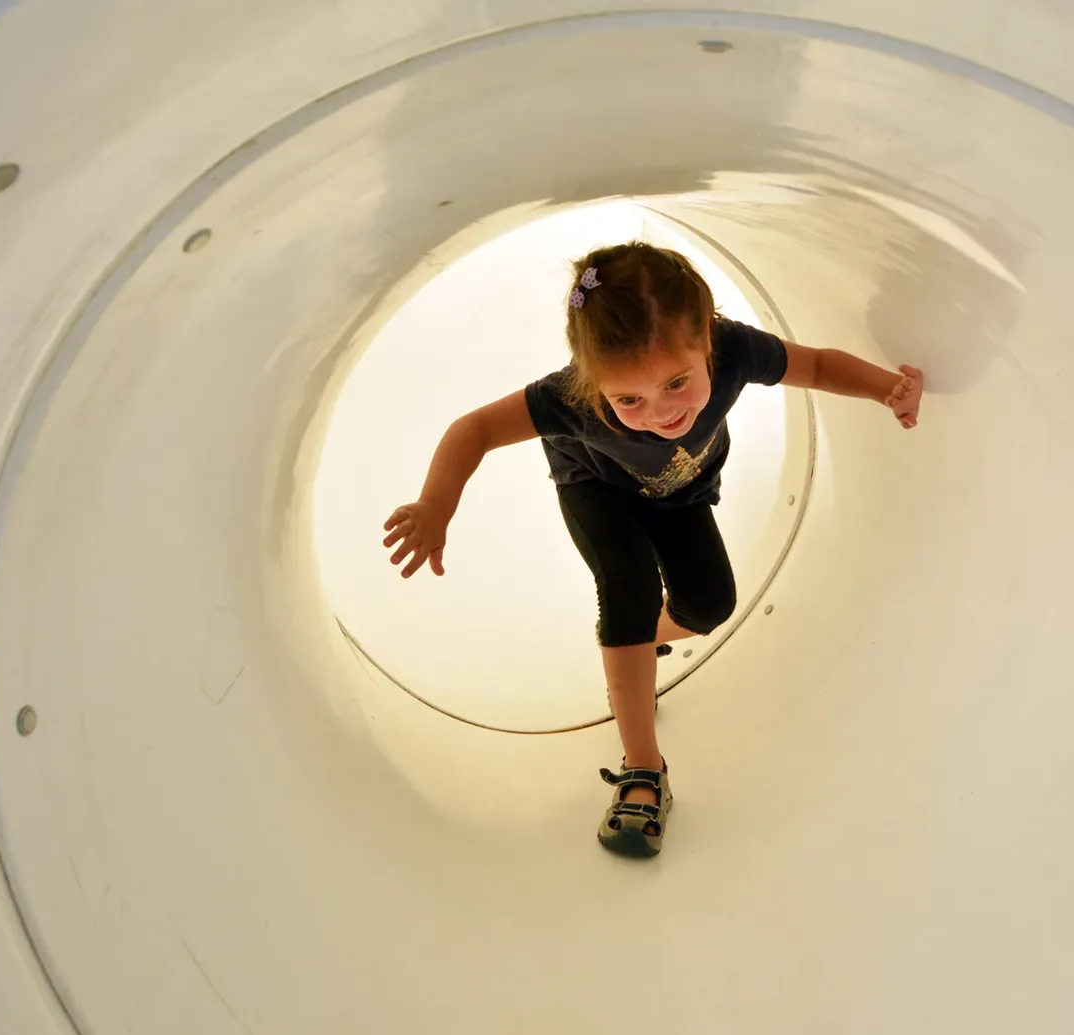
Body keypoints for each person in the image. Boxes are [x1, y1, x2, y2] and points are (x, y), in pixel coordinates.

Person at [383, 241, 923, 857]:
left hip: (680, 491)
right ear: (594, 384)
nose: (660, 411)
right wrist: (436, 504)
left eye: (676, 383)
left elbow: (819, 367)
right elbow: (474, 429)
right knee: (628, 590)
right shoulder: (569, 397)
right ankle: (644, 767)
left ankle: (644, 639)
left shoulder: (737, 349)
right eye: (628, 399)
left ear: (706, 344)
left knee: (711, 606)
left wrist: (889, 389)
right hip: (596, 487)